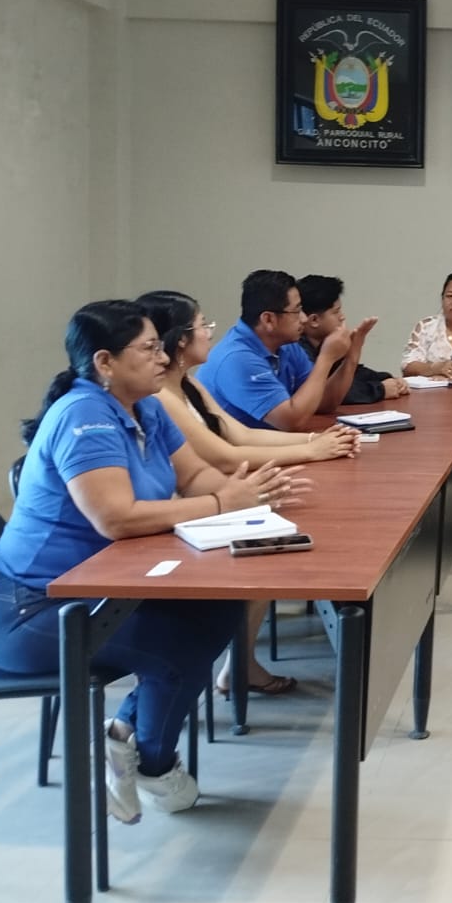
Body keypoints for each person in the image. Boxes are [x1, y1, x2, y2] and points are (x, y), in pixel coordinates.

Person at [0, 300, 299, 824]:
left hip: (103, 587)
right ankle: (154, 765)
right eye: (148, 349)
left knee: (219, 608)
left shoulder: (143, 405)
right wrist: (222, 504)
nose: (162, 358)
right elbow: (117, 519)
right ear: (105, 362)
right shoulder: (83, 415)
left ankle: (122, 736)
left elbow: (193, 476)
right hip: (32, 609)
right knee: (176, 647)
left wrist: (242, 496)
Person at [139, 289, 360, 697]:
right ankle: (237, 664)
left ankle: (240, 662)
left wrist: (315, 441)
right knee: (268, 545)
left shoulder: (188, 385)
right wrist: (311, 451)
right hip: (186, 509)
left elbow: (239, 434)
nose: (210, 332)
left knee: (282, 530)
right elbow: (223, 456)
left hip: (213, 494)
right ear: (180, 340)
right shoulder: (161, 398)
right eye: (203, 325)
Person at [196, 269, 370, 430]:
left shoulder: (287, 345)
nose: (303, 319)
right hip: (229, 451)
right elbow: (290, 422)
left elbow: (323, 402)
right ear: (268, 319)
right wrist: (326, 358)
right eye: (296, 311)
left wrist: (352, 354)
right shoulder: (237, 359)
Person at [297, 274, 408, 404]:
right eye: (336, 312)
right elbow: (329, 394)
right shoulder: (297, 350)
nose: (342, 317)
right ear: (314, 320)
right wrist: (381, 389)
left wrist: (388, 379)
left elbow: (353, 374)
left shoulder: (325, 343)